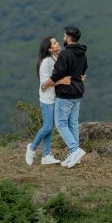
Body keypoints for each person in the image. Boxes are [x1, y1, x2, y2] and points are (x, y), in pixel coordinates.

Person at [42, 25, 88, 168]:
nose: (62, 39)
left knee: (61, 123)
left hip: (66, 93)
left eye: (63, 36)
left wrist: (45, 85)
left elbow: (57, 74)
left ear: (68, 37)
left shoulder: (65, 54)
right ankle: (73, 156)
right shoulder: (83, 53)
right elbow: (83, 71)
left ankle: (74, 150)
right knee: (73, 123)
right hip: (78, 92)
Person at [25, 35, 70, 166]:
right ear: (50, 49)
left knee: (50, 127)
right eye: (55, 43)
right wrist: (61, 81)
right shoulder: (46, 62)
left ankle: (46, 155)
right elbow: (44, 84)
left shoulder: (55, 58)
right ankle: (32, 148)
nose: (58, 43)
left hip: (54, 98)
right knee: (47, 126)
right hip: (47, 99)